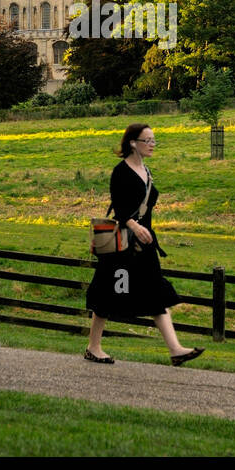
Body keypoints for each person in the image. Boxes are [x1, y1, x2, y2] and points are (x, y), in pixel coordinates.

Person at [84, 122, 205, 366]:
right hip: (123, 245)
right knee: (108, 294)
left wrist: (143, 230)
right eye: (147, 140)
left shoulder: (147, 172)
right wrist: (136, 226)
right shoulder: (121, 172)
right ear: (132, 143)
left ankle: (175, 350)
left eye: (153, 140)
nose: (152, 145)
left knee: (155, 293)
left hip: (144, 245)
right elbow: (119, 208)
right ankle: (93, 347)